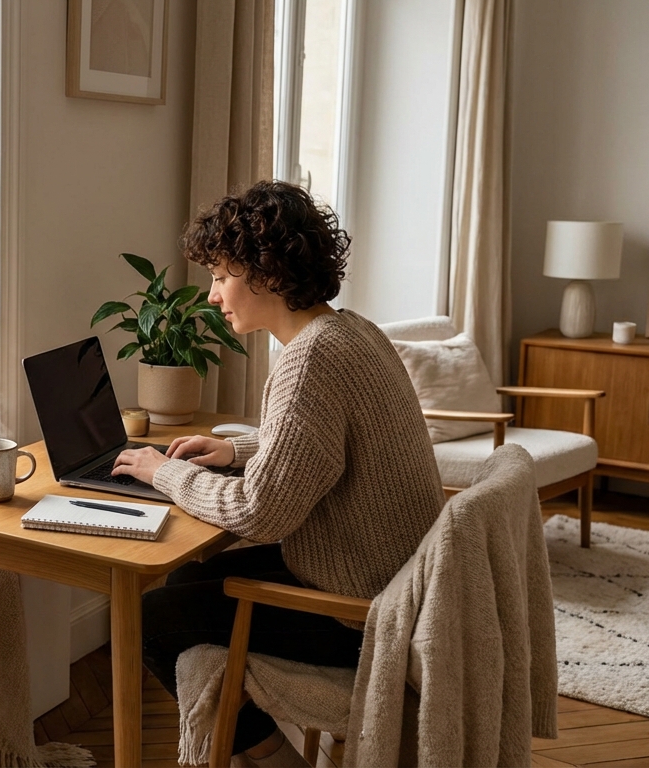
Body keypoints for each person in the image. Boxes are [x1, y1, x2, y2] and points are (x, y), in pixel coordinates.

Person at [111, 180, 444, 767]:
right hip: (384, 576)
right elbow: (322, 448)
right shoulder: (349, 331)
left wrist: (161, 471)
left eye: (220, 275)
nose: (213, 296)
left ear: (266, 271)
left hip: (356, 612)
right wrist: (235, 452)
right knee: (187, 583)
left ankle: (277, 763)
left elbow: (259, 513)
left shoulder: (310, 359)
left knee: (154, 619)